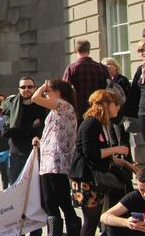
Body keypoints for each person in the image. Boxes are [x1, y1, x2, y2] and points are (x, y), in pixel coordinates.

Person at [70, 90, 136, 236]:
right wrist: (115, 149)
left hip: (94, 178)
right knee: (91, 221)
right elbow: (91, 154)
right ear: (105, 105)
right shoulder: (91, 123)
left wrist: (127, 165)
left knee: (95, 221)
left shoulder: (101, 124)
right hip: (86, 179)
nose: (118, 108)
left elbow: (101, 155)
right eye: (115, 104)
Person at [31, 79, 82, 235]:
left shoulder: (64, 105)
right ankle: (54, 232)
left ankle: (73, 229)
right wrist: (41, 142)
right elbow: (54, 133)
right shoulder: (55, 110)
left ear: (59, 92)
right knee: (49, 202)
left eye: (49, 90)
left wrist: (41, 87)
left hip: (58, 162)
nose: (46, 93)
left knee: (63, 201)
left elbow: (35, 98)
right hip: (47, 160)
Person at [0, 77, 49, 188]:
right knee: (16, 187)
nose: (26, 89)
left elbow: (43, 129)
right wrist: (31, 127)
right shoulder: (12, 105)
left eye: (30, 87)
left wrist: (20, 129)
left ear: (35, 88)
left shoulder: (42, 105)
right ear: (19, 89)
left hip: (36, 152)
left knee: (37, 188)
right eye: (23, 87)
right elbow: (6, 132)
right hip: (17, 153)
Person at [63, 39, 110, 118]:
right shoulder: (102, 68)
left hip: (79, 111)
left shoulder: (71, 69)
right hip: (98, 110)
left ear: (75, 51)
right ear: (89, 50)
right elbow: (108, 88)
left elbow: (64, 91)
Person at [100, 168, 145, 236]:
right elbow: (104, 217)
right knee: (112, 226)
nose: (144, 194)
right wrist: (127, 223)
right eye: (142, 190)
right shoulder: (135, 196)